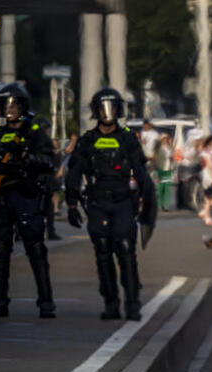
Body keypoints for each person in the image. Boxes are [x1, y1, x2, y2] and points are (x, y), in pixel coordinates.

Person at [65, 88, 157, 321]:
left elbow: (141, 172)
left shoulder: (127, 138)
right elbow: (74, 172)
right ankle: (111, 302)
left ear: (118, 110)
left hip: (123, 201)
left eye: (112, 107)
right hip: (97, 202)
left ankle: (133, 302)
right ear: (96, 111)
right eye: (103, 108)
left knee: (126, 250)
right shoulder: (88, 140)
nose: (108, 113)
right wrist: (72, 204)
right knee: (103, 252)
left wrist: (146, 203)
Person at [0, 83, 57, 318]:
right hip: (2, 198)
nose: (9, 109)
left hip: (26, 196)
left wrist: (25, 157)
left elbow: (49, 162)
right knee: (1, 251)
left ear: (23, 106)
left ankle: (46, 302)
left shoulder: (33, 133)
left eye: (14, 105)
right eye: (5, 105)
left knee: (36, 249)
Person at [153, 134, 175, 211]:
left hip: (168, 170)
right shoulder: (158, 148)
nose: (165, 140)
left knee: (167, 188)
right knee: (160, 187)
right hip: (161, 169)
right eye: (164, 139)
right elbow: (157, 158)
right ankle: (159, 205)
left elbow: (172, 155)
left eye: (166, 139)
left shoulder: (169, 148)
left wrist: (172, 145)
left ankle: (165, 206)